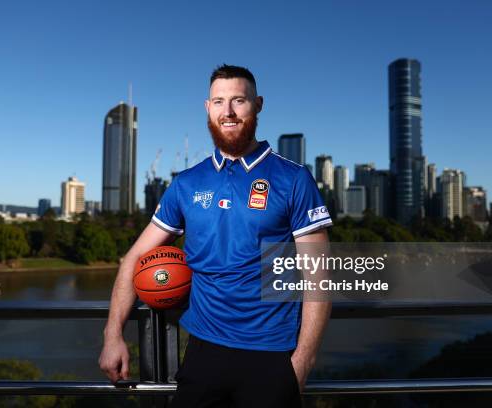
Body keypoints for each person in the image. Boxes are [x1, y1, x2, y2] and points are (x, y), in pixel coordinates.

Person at [99, 64, 332, 408]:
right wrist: (113, 334)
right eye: (219, 101)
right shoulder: (187, 182)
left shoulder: (293, 178)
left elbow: (319, 276)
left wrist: (303, 361)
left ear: (258, 105)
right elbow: (133, 259)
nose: (228, 111)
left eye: (239, 100)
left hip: (271, 355)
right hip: (203, 350)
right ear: (207, 108)